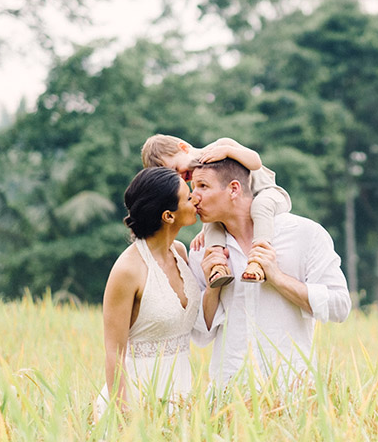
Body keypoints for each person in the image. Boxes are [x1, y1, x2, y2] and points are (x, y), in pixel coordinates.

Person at [188, 158, 351, 390]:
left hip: (293, 389)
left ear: (234, 189)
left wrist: (277, 278)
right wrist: (213, 287)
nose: (194, 197)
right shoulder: (202, 251)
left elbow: (340, 307)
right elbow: (200, 335)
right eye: (193, 188)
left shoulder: (305, 234)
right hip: (230, 393)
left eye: (203, 186)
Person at [95, 167, 201, 417]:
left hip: (182, 398)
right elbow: (114, 351)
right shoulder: (127, 270)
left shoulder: (180, 252)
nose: (195, 197)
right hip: (138, 399)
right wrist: (124, 416)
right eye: (188, 197)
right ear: (168, 216)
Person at [141, 134, 292, 285]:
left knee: (260, 205)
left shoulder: (221, 145)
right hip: (237, 206)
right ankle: (218, 265)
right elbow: (215, 205)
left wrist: (228, 151)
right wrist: (204, 230)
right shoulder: (197, 175)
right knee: (212, 221)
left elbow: (256, 162)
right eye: (175, 177)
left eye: (176, 169)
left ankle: (259, 256)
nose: (180, 176)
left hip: (269, 194)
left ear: (184, 148)